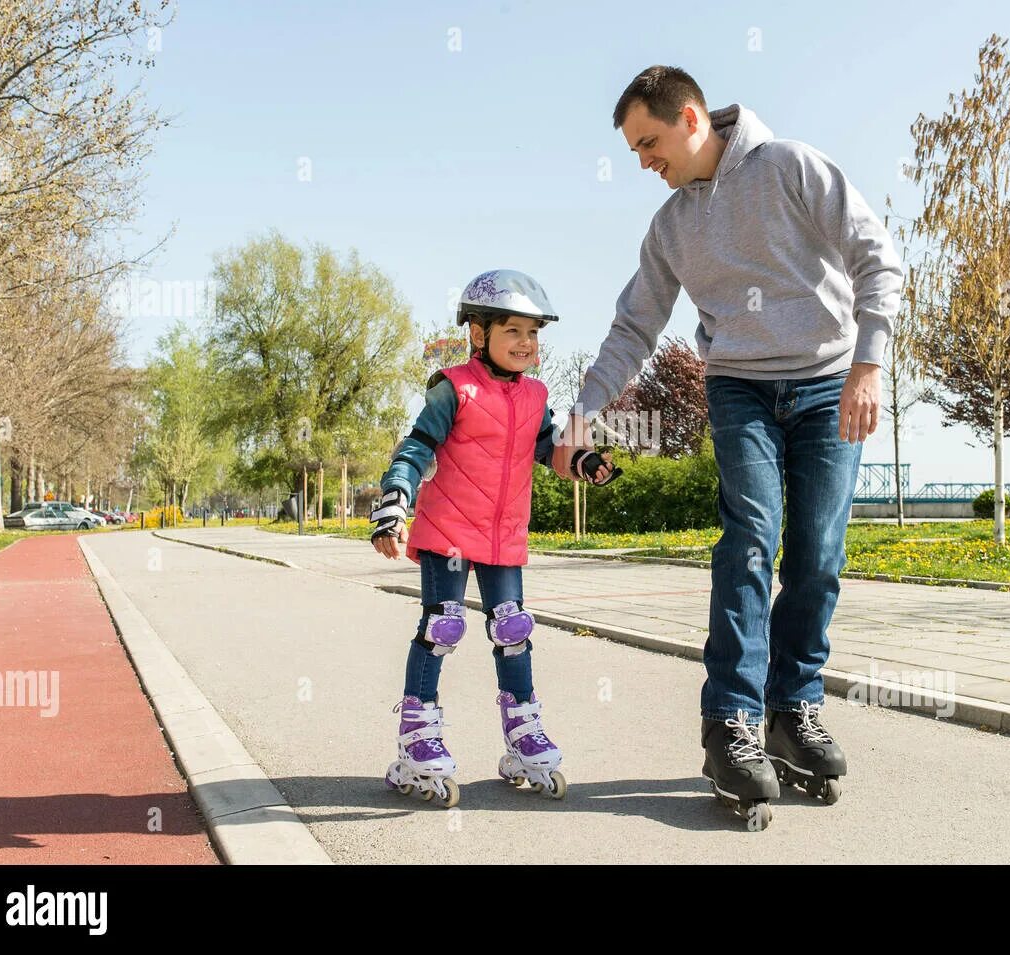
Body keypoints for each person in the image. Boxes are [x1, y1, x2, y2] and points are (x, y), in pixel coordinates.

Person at [553, 66, 902, 830]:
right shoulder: (672, 225)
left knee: (818, 552)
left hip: (828, 380)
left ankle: (794, 711)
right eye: (635, 151)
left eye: (648, 143)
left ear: (689, 118)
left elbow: (877, 255)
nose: (645, 162)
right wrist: (579, 412)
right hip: (739, 384)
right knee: (751, 538)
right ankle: (731, 722)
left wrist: (870, 363)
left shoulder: (790, 168)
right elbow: (632, 328)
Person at [371, 269, 616, 807]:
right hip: (451, 533)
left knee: (514, 630)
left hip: (503, 537)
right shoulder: (454, 387)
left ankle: (524, 733)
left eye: (534, 335)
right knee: (443, 627)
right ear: (479, 334)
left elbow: (548, 447)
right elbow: (417, 447)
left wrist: (583, 461)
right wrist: (395, 501)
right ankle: (418, 737)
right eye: (514, 333)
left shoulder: (536, 395)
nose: (527, 344)